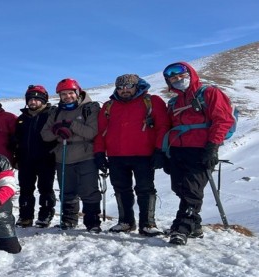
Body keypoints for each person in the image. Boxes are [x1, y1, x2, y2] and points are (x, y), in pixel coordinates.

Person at [161, 62, 235, 245]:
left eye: (181, 76)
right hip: (178, 149)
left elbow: (223, 120)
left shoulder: (209, 93)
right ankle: (195, 226)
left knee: (191, 190)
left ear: (190, 75)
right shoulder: (174, 102)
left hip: (200, 148)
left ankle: (182, 228)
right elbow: (169, 126)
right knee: (178, 187)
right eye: (173, 78)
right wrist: (165, 152)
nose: (178, 80)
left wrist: (212, 147)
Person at [94, 74, 170, 236]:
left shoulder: (152, 101)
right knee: (121, 189)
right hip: (116, 155)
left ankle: (148, 223)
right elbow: (100, 132)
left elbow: (163, 127)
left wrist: (160, 150)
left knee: (145, 189)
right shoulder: (109, 106)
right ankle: (125, 222)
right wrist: (99, 153)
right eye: (120, 88)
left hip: (144, 154)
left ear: (137, 86)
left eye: (128, 86)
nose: (124, 90)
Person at [41, 78, 102, 232]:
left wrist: (71, 125)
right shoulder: (55, 112)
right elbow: (45, 135)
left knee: (89, 190)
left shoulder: (90, 108)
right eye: (63, 94)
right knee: (67, 191)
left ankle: (92, 221)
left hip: (86, 156)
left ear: (77, 92)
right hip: (63, 156)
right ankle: (68, 220)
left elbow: (92, 133)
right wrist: (56, 130)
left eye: (70, 93)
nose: (67, 96)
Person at [14, 85, 57, 228]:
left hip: (46, 158)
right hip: (25, 159)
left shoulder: (51, 114)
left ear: (44, 100)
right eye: (30, 99)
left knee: (45, 188)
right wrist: (16, 155)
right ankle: (25, 216)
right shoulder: (22, 118)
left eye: (37, 99)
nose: (33, 101)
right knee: (26, 189)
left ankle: (45, 214)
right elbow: (16, 139)